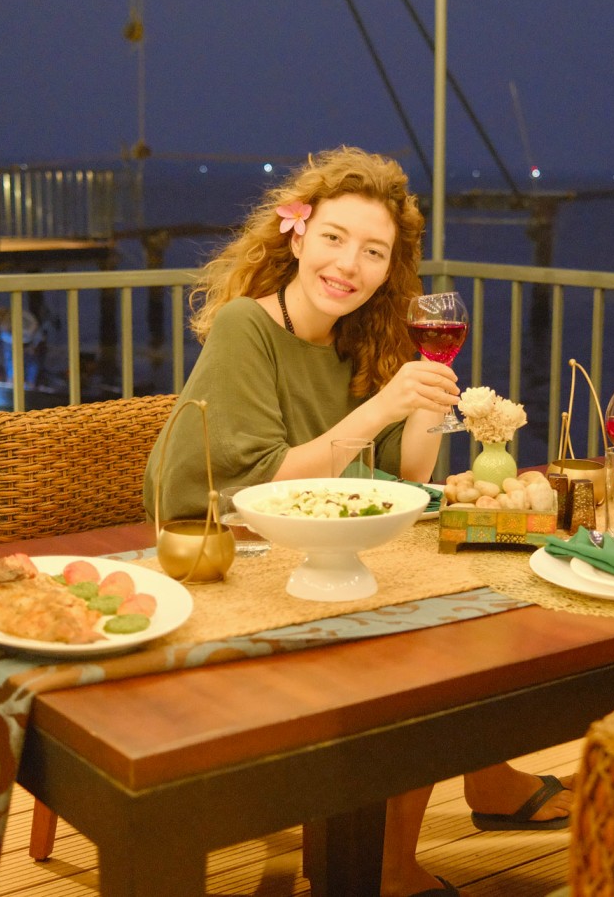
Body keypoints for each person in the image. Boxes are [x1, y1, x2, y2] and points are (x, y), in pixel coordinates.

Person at [144, 146, 572, 897]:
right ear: (296, 235)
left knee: (477, 604)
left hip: (324, 549)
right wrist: (381, 406)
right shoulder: (248, 326)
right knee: (422, 645)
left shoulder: (365, 334)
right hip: (229, 557)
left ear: (389, 268)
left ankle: (484, 774)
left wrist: (427, 400)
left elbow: (403, 477)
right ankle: (384, 867)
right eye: (334, 238)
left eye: (373, 251)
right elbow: (256, 486)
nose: (349, 264)